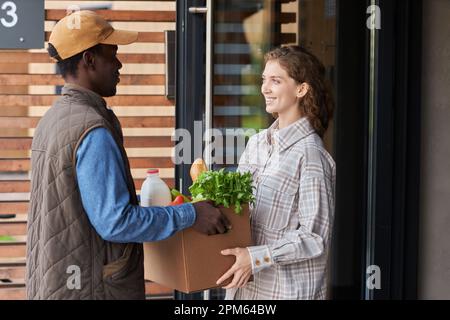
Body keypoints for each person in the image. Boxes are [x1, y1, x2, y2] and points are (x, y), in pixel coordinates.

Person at [26, 10, 230, 300]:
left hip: (60, 284)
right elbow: (115, 222)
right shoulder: (91, 129)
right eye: (113, 55)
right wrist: (190, 213)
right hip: (90, 289)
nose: (119, 64)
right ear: (90, 60)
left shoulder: (52, 120)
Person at [216, 45, 336, 299]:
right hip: (244, 290)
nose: (264, 89)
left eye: (275, 81)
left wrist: (257, 257)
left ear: (301, 89)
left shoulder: (311, 156)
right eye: (264, 80)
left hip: (284, 292)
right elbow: (240, 212)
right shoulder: (256, 144)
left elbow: (315, 237)